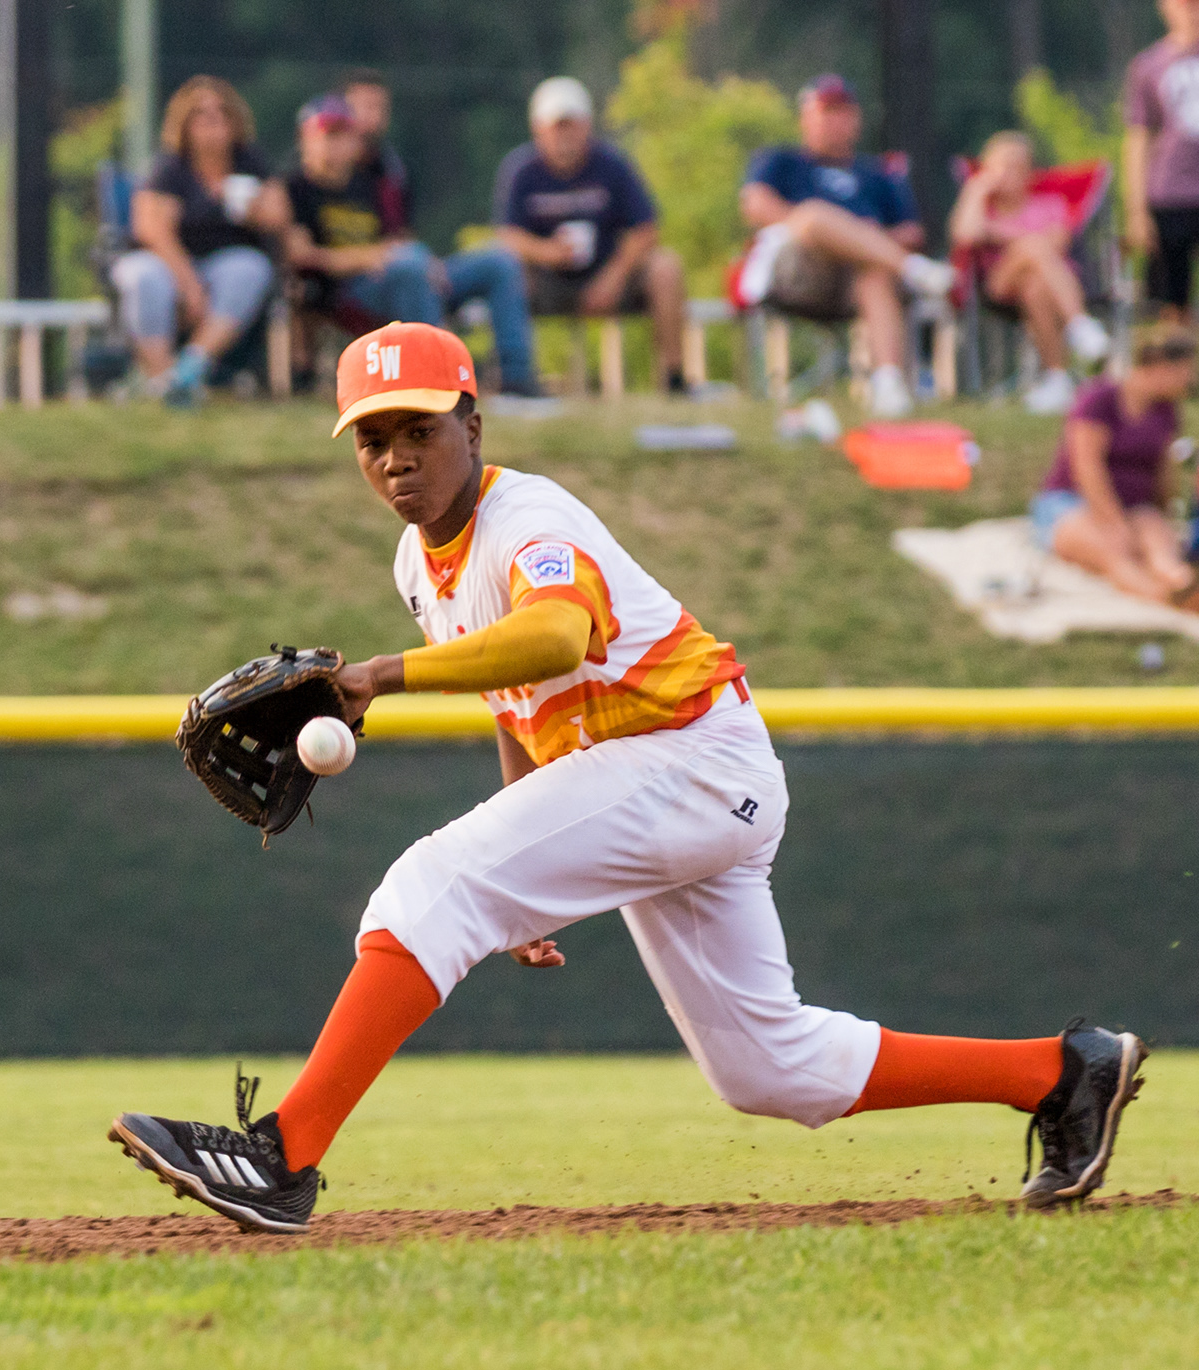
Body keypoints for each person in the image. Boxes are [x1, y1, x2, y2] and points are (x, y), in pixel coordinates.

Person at [109, 321, 1145, 1233]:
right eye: (373, 440)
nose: (395, 458)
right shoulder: (417, 562)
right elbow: (518, 701)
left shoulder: (529, 523)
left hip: (690, 759)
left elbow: (556, 638)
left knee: (435, 884)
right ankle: (1063, 1074)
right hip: (669, 777)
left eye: (418, 429)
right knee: (764, 1067)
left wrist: (384, 677)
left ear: (475, 427)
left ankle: (282, 1156)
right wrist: (525, 854)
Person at [283, 94, 540, 398]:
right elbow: (300, 255)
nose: (335, 145)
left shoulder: (376, 181)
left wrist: (415, 257)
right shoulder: (294, 188)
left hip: (405, 272)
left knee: (500, 263)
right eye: (327, 135)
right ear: (306, 140)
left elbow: (399, 238)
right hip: (345, 292)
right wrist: (369, 258)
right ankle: (442, 381)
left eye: (343, 135)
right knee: (409, 269)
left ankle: (518, 383)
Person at [738, 75, 955, 419]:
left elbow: (912, 232)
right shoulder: (780, 161)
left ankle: (888, 384)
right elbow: (756, 206)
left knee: (875, 272)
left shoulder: (879, 173)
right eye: (826, 111)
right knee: (813, 216)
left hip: (862, 275)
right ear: (805, 118)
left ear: (857, 120)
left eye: (844, 112)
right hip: (800, 270)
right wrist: (836, 229)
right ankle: (916, 270)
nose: (835, 121)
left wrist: (861, 240)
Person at [492, 77, 690, 392]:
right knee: (503, 271)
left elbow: (646, 228)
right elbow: (506, 235)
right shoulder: (520, 170)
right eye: (557, 126)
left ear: (587, 126)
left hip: (607, 276)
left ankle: (675, 377)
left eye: (571, 125)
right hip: (547, 280)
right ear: (538, 129)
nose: (564, 134)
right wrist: (548, 252)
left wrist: (614, 276)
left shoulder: (612, 165)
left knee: (666, 266)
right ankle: (515, 379)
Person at [111, 76, 291, 406]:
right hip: (171, 264)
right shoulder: (170, 168)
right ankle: (160, 377)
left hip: (225, 264)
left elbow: (280, 216)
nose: (212, 121)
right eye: (201, 114)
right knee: (144, 277)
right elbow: (152, 231)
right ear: (184, 122)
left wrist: (249, 209)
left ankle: (189, 370)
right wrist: (189, 284)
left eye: (220, 113)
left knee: (250, 268)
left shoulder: (250, 162)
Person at [1029, 323, 1199, 607]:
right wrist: (1115, 522)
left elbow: (1161, 474)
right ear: (1159, 366)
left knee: (1157, 542)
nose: (1189, 379)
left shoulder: (1167, 411)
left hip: (1134, 506)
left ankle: (1180, 582)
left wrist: (1161, 517)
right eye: (1184, 370)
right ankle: (1166, 599)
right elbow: (1087, 468)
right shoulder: (1099, 400)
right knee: (1113, 549)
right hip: (1073, 502)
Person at [949, 132, 1111, 414]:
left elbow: (1059, 241)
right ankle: (1080, 325)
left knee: (1034, 286)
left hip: (1052, 285)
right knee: (1033, 245)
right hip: (1000, 285)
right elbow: (965, 234)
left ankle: (1057, 379)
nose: (1010, 173)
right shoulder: (983, 205)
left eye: (1018, 166)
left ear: (1029, 172)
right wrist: (976, 189)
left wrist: (994, 233)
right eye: (1002, 165)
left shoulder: (1051, 203)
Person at [1125, 0, 1199, 320]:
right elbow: (1138, 138)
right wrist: (1136, 210)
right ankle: (1177, 368)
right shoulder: (1149, 65)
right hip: (1171, 195)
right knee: (1170, 304)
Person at [337, 67, 412, 242]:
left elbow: (402, 233)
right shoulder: (318, 166)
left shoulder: (394, 170)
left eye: (382, 108)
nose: (376, 117)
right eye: (367, 107)